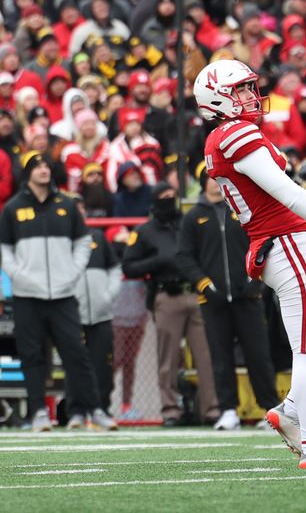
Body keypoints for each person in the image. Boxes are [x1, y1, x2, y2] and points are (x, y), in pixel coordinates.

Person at [193, 59, 306, 468]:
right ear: (219, 99)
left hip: (290, 243)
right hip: (285, 243)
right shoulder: (233, 133)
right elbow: (289, 194)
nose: (251, 96)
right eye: (240, 90)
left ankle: (290, 410)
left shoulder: (232, 133)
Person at [0, 151, 117, 432]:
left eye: (46, 166)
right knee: (33, 355)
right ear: (27, 173)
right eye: (37, 166)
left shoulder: (65, 205)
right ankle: (39, 412)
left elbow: (82, 243)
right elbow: (5, 249)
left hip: (64, 295)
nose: (43, 170)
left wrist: (72, 273)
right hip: (28, 295)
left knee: (76, 353)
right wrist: (21, 276)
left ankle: (95, 409)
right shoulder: (13, 208)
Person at [176, 164, 281, 431]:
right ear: (202, 183)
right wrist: (204, 285)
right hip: (213, 301)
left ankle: (270, 411)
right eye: (209, 179)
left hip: (249, 297)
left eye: (218, 178)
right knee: (220, 356)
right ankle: (228, 409)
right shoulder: (193, 217)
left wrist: (254, 279)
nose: (214, 183)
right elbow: (184, 256)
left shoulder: (243, 211)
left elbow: (263, 242)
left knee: (258, 355)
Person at [122, 182, 220, 427]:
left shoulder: (189, 223)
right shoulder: (144, 232)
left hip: (195, 294)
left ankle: (212, 409)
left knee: (205, 355)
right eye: (164, 197)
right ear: (155, 201)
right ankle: (170, 410)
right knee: (167, 357)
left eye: (173, 196)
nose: (170, 200)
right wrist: (156, 262)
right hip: (167, 296)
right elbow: (129, 266)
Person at [72, 193, 121, 417]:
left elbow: (114, 268)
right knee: (75, 364)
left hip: (101, 314)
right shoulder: (62, 242)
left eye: (81, 207)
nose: (79, 211)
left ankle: (101, 409)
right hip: (73, 316)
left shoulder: (98, 238)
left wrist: (107, 296)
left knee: (103, 364)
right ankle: (76, 411)